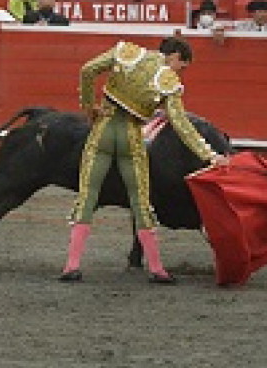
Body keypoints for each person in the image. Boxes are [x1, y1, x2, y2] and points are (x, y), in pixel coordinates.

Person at [60, 36, 228, 284]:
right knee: (140, 201)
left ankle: (71, 266)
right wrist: (210, 156)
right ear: (175, 57)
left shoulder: (126, 52)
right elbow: (181, 125)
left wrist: (89, 107)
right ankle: (157, 269)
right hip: (131, 137)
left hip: (102, 132)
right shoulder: (168, 81)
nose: (180, 71)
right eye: (183, 66)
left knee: (88, 196)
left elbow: (87, 70)